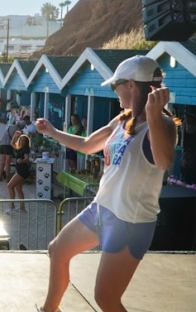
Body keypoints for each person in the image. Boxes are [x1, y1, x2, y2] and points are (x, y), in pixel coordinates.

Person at [35, 55, 177, 312]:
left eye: (116, 85)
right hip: (101, 210)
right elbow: (88, 145)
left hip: (129, 222)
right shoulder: (122, 120)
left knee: (106, 298)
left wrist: (154, 116)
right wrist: (52, 132)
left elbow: (164, 161)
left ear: (132, 85)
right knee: (57, 250)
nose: (115, 91)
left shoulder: (163, 124)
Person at [6, 133, 31, 214]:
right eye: (21, 140)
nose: (22, 141)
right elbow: (12, 143)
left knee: (10, 186)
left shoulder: (25, 150)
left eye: (24, 140)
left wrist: (22, 160)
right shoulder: (19, 148)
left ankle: (12, 207)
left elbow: (27, 158)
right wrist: (15, 136)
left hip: (22, 171)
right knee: (18, 189)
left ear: (26, 142)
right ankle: (22, 208)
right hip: (20, 170)